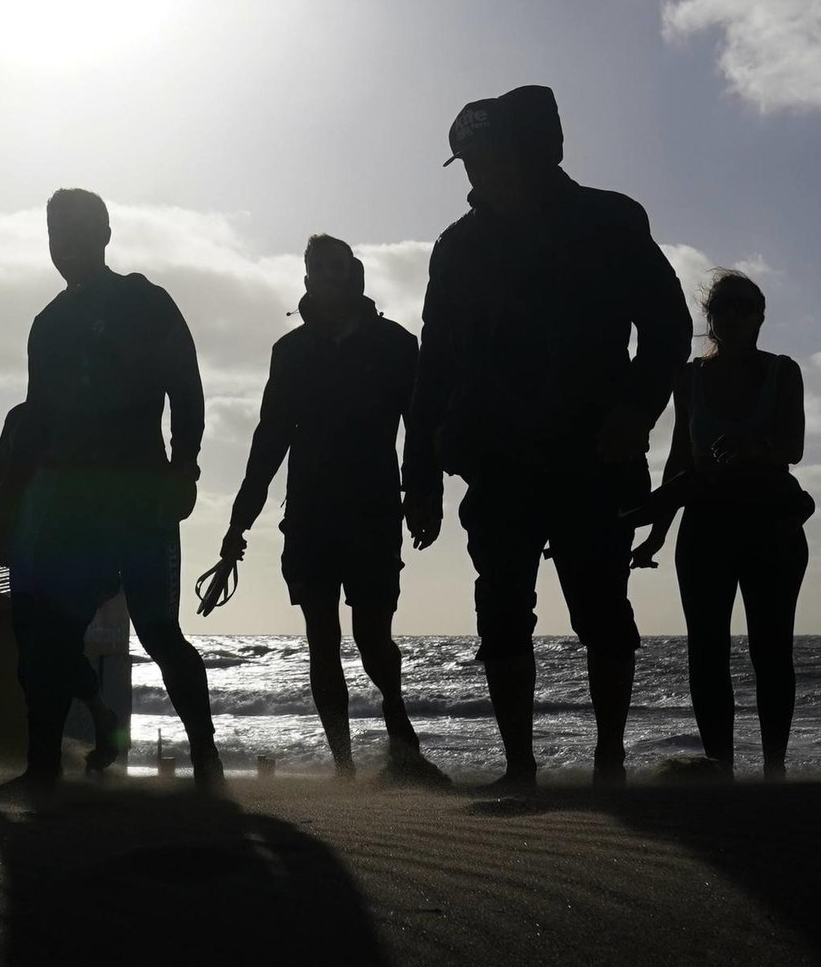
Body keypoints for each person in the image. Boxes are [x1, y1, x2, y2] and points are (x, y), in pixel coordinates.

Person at [406, 85, 692, 790]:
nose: (476, 173)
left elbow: (668, 329)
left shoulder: (610, 221)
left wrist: (637, 409)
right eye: (466, 161)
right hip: (497, 461)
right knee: (501, 612)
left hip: (594, 455)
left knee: (603, 609)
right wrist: (419, 479)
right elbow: (433, 365)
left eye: (487, 156)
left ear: (531, 152)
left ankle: (610, 763)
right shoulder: (457, 247)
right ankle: (519, 768)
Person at [3, 188, 220, 792]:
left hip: (141, 498)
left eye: (74, 233)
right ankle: (42, 769)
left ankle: (207, 763)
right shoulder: (47, 325)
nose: (63, 247)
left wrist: (185, 467)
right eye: (54, 236)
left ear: (103, 235)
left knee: (158, 631)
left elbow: (187, 386)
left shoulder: (143, 301)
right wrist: (13, 511)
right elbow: (35, 421)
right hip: (70, 505)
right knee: (52, 635)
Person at [218, 234, 447, 784]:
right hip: (310, 516)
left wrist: (424, 496)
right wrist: (237, 526)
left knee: (372, 638)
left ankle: (401, 738)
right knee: (321, 639)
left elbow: (420, 430)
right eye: (315, 267)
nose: (324, 274)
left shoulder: (395, 345)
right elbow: (268, 440)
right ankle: (344, 768)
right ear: (305, 280)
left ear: (353, 274)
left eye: (334, 266)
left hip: (372, 512)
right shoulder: (290, 352)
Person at [630, 270, 810, 780]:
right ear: (710, 318)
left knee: (771, 648)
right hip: (704, 525)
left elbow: (793, 447)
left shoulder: (783, 371)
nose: (731, 316)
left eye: (742, 306)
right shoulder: (688, 378)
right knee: (706, 650)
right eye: (722, 308)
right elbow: (679, 460)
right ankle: (720, 768)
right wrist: (658, 531)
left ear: (759, 315)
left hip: (770, 525)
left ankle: (774, 769)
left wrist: (752, 448)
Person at [0, 401, 121, 772]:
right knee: (36, 658)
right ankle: (96, 718)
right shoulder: (21, 418)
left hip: (82, 558)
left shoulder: (101, 418)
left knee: (55, 651)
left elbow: (119, 495)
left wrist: (113, 566)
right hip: (28, 557)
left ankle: (44, 766)